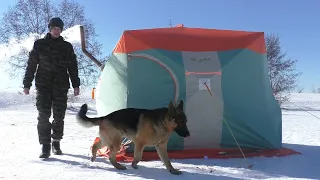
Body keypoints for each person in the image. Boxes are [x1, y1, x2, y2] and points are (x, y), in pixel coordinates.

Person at [23, 17, 80, 158]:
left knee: (59, 116)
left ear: (61, 30)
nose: (56, 30)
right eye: (54, 28)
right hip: (43, 86)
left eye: (59, 28)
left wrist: (76, 84)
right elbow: (31, 65)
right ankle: (45, 146)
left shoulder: (67, 47)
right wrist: (27, 83)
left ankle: (56, 142)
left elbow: (73, 66)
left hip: (61, 86)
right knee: (43, 115)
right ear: (50, 29)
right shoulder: (39, 44)